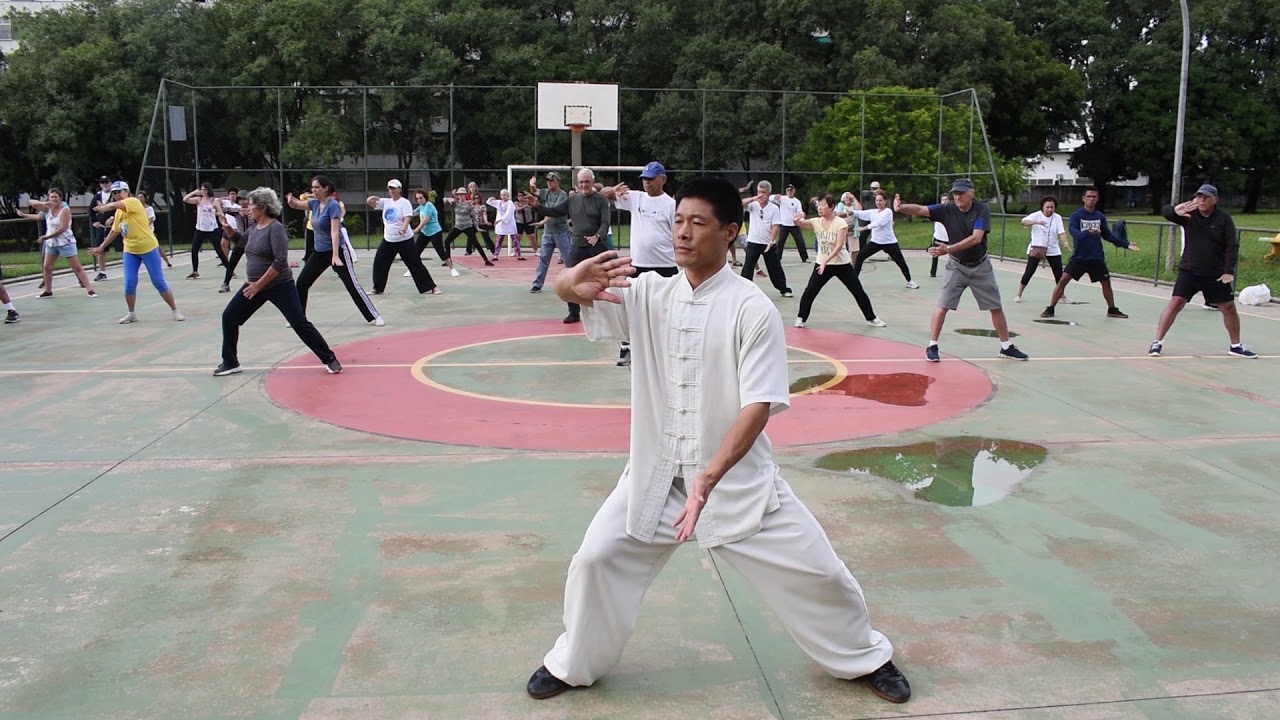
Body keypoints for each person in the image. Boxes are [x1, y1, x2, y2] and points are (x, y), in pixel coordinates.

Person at [527, 176, 910, 705]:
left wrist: (711, 473)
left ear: (730, 232)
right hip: (657, 478)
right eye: (678, 220)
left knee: (818, 571)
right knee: (596, 560)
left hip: (734, 481)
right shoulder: (650, 294)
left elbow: (759, 405)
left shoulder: (751, 308)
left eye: (697, 223)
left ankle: (866, 656)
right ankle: (574, 664)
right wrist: (569, 283)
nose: (682, 233)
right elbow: (576, 296)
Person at [212, 187, 342, 376]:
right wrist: (226, 226)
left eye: (252, 205)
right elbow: (241, 242)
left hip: (279, 286)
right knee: (229, 317)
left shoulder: (276, 228)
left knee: (299, 323)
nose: (248, 208)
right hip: (254, 285)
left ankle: (329, 358)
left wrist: (258, 285)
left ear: (263, 207)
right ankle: (230, 362)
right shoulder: (254, 228)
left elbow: (280, 262)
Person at [895, 179, 1028, 362]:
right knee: (942, 306)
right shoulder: (947, 209)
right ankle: (932, 345)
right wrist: (901, 207)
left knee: (995, 306)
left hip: (980, 266)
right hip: (956, 266)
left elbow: (976, 238)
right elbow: (920, 210)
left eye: (961, 193)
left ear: (971, 193)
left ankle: (1006, 347)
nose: (957, 197)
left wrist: (947, 249)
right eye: (955, 193)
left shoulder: (982, 210)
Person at [1150, 185, 1256, 358]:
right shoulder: (1188, 216)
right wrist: (1174, 210)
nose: (1202, 200)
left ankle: (1236, 346)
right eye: (1199, 197)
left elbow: (1231, 245)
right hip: (1189, 271)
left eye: (1206, 197)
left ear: (1215, 200)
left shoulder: (1224, 218)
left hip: (1215, 273)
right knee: (1176, 303)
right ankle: (1157, 343)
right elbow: (1166, 213)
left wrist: (1229, 271)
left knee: (1228, 307)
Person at [603, 161, 678, 366]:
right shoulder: (636, 198)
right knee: (630, 305)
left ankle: (666, 347)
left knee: (665, 307)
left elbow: (677, 234)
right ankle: (627, 347)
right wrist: (613, 190)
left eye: (651, 179)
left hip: (665, 265)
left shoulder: (671, 205)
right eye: (644, 179)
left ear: (663, 179)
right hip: (638, 264)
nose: (647, 183)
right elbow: (601, 194)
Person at [286, 175, 385, 327]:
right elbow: (298, 205)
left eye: (317, 187)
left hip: (337, 250)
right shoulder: (314, 203)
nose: (314, 190)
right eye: (313, 187)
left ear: (325, 188)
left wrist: (335, 255)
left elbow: (334, 232)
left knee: (352, 284)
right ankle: (298, 318)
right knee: (302, 282)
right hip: (319, 252)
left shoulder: (333, 205)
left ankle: (374, 316)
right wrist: (291, 201)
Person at [521, 167, 612, 323]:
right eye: (581, 182)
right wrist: (537, 205)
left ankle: (607, 312)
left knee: (604, 278)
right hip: (577, 245)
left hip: (597, 246)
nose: (584, 185)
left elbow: (605, 223)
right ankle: (574, 312)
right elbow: (554, 211)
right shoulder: (572, 200)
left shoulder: (601, 200)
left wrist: (597, 236)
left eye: (587, 182)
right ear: (577, 184)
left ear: (593, 182)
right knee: (571, 278)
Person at [91, 181, 184, 324]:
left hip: (148, 247)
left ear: (127, 192)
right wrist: (101, 247)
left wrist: (104, 207)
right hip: (130, 251)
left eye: (120, 192)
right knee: (129, 283)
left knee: (158, 282)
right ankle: (131, 313)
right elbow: (114, 231)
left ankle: (175, 310)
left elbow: (116, 205)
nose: (117, 195)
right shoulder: (118, 213)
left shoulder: (132, 202)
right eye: (114, 193)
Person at [1039, 186, 1139, 319]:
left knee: (1106, 283)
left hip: (1096, 258)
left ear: (1097, 199)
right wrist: (1088, 233)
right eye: (1089, 197)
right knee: (1063, 280)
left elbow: (1108, 236)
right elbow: (1075, 233)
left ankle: (1112, 309)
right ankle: (1051, 308)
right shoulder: (1076, 216)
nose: (1091, 199)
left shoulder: (1099, 216)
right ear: (1083, 199)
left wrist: (1126, 244)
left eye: (1094, 197)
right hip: (1079, 258)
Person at [793, 193, 885, 328]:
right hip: (822, 264)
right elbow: (800, 223)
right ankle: (801, 317)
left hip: (841, 264)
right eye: (818, 205)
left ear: (831, 207)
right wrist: (796, 219)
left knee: (857, 291)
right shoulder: (816, 222)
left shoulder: (840, 223)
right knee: (810, 290)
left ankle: (871, 318)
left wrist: (826, 261)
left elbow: (839, 246)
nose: (820, 208)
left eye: (823, 205)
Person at [17, 188, 98, 299]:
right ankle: (48, 291)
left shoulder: (65, 210)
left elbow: (63, 228)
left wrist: (46, 237)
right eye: (51, 197)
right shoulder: (47, 209)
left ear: (61, 198)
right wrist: (31, 210)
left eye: (56, 197)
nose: (53, 199)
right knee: (47, 267)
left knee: (77, 267)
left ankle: (90, 290)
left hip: (65, 242)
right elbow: (31, 203)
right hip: (52, 243)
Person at [368, 179, 440, 295]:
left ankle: (431, 287)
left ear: (399, 189)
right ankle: (377, 288)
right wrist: (370, 199)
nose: (391, 190)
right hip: (389, 240)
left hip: (405, 240)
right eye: (390, 188)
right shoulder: (386, 202)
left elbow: (408, 217)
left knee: (415, 264)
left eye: (394, 188)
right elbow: (371, 203)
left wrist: (403, 228)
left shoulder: (404, 202)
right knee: (379, 262)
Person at [850, 190, 919, 289]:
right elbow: (862, 214)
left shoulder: (888, 212)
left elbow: (878, 223)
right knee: (860, 257)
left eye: (880, 200)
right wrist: (851, 212)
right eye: (877, 200)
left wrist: (864, 228)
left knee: (901, 262)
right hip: (876, 242)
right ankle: (854, 281)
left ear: (885, 201)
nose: (878, 202)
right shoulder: (874, 212)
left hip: (890, 243)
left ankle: (910, 281)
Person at [1014, 197, 1074, 304]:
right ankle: (1019, 294)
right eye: (1047, 207)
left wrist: (1065, 243)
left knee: (1059, 274)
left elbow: (1061, 232)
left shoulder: (1057, 218)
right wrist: (1036, 222)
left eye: (1052, 207)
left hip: (1053, 249)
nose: (1050, 209)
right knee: (1029, 271)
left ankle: (1062, 296)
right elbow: (1024, 222)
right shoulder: (1036, 215)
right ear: (1042, 207)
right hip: (1037, 248)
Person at [739, 181, 792, 297]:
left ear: (769, 193)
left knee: (775, 267)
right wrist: (754, 198)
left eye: (764, 192)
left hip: (768, 243)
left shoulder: (774, 208)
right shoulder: (753, 205)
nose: (761, 195)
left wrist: (771, 241)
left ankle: (783, 289)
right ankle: (743, 290)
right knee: (748, 267)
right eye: (759, 192)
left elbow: (776, 226)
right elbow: (740, 203)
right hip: (753, 242)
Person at [528, 172, 571, 293]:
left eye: (551, 180)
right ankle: (537, 284)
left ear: (558, 181)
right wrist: (531, 184)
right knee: (543, 258)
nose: (549, 182)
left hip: (561, 232)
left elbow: (553, 212)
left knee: (568, 259)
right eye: (548, 180)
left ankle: (573, 281)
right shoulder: (546, 192)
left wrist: (542, 222)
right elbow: (535, 191)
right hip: (548, 232)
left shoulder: (562, 195)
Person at [183, 182, 232, 280]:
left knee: (219, 250)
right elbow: (185, 199)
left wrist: (223, 222)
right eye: (202, 190)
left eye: (205, 189)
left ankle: (230, 270)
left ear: (209, 190)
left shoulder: (214, 201)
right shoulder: (199, 200)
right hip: (200, 228)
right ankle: (195, 271)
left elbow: (220, 213)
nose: (203, 191)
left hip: (212, 229)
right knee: (194, 249)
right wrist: (194, 192)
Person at [410, 188, 456, 277]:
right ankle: (411, 270)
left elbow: (425, 220)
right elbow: (413, 213)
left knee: (440, 251)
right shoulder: (421, 206)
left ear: (425, 197)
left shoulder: (429, 205)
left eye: (421, 198)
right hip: (425, 232)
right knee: (416, 251)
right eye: (417, 199)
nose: (419, 200)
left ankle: (452, 269)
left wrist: (416, 230)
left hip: (435, 232)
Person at [442, 188, 493, 267]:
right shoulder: (455, 203)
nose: (460, 196)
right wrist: (448, 199)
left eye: (462, 195)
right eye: (459, 195)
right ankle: (448, 260)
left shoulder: (469, 204)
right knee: (447, 241)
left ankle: (486, 260)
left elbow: (474, 216)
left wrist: (477, 227)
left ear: (465, 195)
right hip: (458, 226)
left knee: (476, 243)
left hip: (467, 226)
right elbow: (444, 200)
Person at [219, 188, 248, 292]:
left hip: (254, 241)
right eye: (241, 199)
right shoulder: (237, 211)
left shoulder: (255, 210)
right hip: (241, 241)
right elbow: (225, 209)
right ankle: (226, 283)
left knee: (257, 262)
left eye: (246, 199)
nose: (244, 202)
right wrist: (238, 210)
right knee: (232, 263)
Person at [88, 175, 116, 281]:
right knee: (101, 248)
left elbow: (120, 208)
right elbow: (90, 209)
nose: (105, 184)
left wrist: (113, 218)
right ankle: (102, 272)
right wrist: (94, 221)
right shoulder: (98, 196)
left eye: (106, 182)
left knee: (123, 247)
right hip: (103, 226)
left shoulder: (115, 195)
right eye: (102, 182)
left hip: (115, 226)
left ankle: (129, 268)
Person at [773, 183, 808, 262]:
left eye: (791, 190)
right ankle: (778, 258)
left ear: (794, 191)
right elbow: (770, 198)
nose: (789, 191)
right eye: (788, 190)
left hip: (794, 225)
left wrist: (800, 217)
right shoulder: (782, 199)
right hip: (784, 225)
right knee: (780, 242)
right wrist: (775, 196)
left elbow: (800, 212)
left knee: (800, 241)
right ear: (786, 191)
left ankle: (805, 258)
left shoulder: (797, 201)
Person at [136, 191, 171, 269]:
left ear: (145, 198)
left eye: (141, 197)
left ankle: (167, 262)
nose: (139, 199)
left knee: (157, 248)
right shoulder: (136, 209)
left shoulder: (149, 208)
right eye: (138, 197)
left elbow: (151, 219)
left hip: (148, 231)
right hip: (139, 232)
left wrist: (144, 227)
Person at [487, 189, 523, 260]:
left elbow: (508, 214)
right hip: (501, 225)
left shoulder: (510, 203)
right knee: (499, 240)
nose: (503, 196)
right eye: (502, 195)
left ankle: (519, 255)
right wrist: (491, 198)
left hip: (509, 224)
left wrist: (500, 220)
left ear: (508, 195)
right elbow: (489, 202)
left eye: (504, 195)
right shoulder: (499, 203)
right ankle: (496, 255)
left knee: (515, 240)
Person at [929, 193, 949, 278]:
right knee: (935, 255)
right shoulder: (937, 210)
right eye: (943, 200)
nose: (944, 201)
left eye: (946, 200)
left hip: (949, 238)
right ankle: (933, 272)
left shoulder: (952, 211)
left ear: (949, 201)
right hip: (938, 237)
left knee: (954, 256)